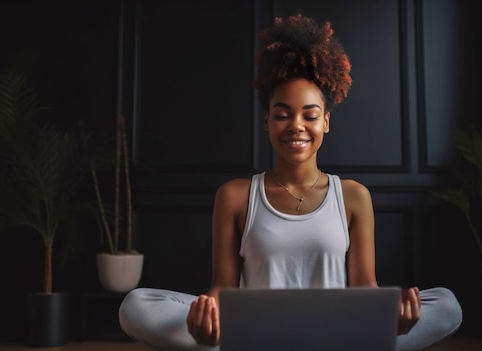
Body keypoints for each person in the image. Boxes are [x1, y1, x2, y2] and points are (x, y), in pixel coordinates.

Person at [119, 13, 462, 351]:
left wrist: (395, 312)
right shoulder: (236, 195)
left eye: (309, 116)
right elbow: (222, 288)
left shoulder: (354, 196)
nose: (296, 125)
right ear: (267, 121)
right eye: (282, 115)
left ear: (325, 122)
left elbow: (364, 288)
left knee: (446, 304)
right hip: (255, 335)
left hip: (335, 334)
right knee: (136, 304)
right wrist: (205, 321)